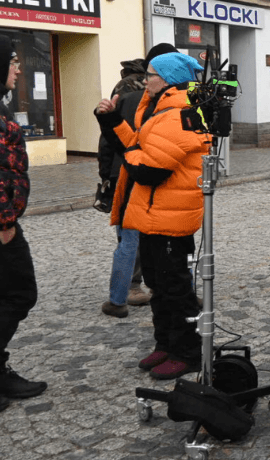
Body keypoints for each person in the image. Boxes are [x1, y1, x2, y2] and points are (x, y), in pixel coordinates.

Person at [95, 51, 210, 380]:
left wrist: (131, 153)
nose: (146, 80)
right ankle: (166, 343)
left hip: (171, 217)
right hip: (154, 214)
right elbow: (136, 147)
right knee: (158, 285)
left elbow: (149, 170)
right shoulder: (159, 109)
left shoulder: (179, 113)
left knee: (176, 288)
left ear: (169, 80)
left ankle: (188, 351)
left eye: (152, 75)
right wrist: (112, 120)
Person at [95, 44, 177, 318]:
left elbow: (108, 141)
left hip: (126, 174)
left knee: (130, 238)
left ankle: (121, 296)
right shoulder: (149, 101)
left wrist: (106, 175)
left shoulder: (130, 98)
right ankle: (167, 288)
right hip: (142, 176)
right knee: (166, 236)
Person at [0, 35, 49, 413]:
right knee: (19, 293)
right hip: (1, 225)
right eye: (13, 62)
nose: (18, 69)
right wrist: (4, 220)